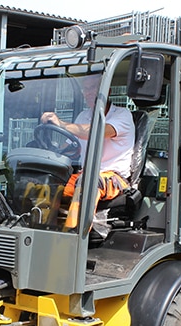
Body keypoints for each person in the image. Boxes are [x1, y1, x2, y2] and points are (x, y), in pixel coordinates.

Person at [39, 74, 135, 229]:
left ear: (107, 91)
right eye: (85, 89)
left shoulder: (122, 115)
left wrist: (61, 123)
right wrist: (50, 152)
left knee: (88, 181)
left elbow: (95, 132)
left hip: (114, 178)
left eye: (92, 88)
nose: (87, 93)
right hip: (85, 173)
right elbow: (71, 143)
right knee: (50, 181)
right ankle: (42, 228)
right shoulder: (83, 116)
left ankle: (75, 235)